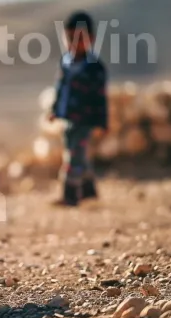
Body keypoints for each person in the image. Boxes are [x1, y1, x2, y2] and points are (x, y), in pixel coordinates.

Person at [50, 11, 108, 206]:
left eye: (80, 38)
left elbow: (100, 97)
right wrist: (55, 109)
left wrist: (102, 121)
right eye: (70, 37)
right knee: (77, 153)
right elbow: (60, 89)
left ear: (91, 39)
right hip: (68, 118)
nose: (75, 43)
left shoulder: (94, 68)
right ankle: (89, 189)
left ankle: (70, 194)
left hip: (86, 120)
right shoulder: (65, 63)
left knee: (74, 155)